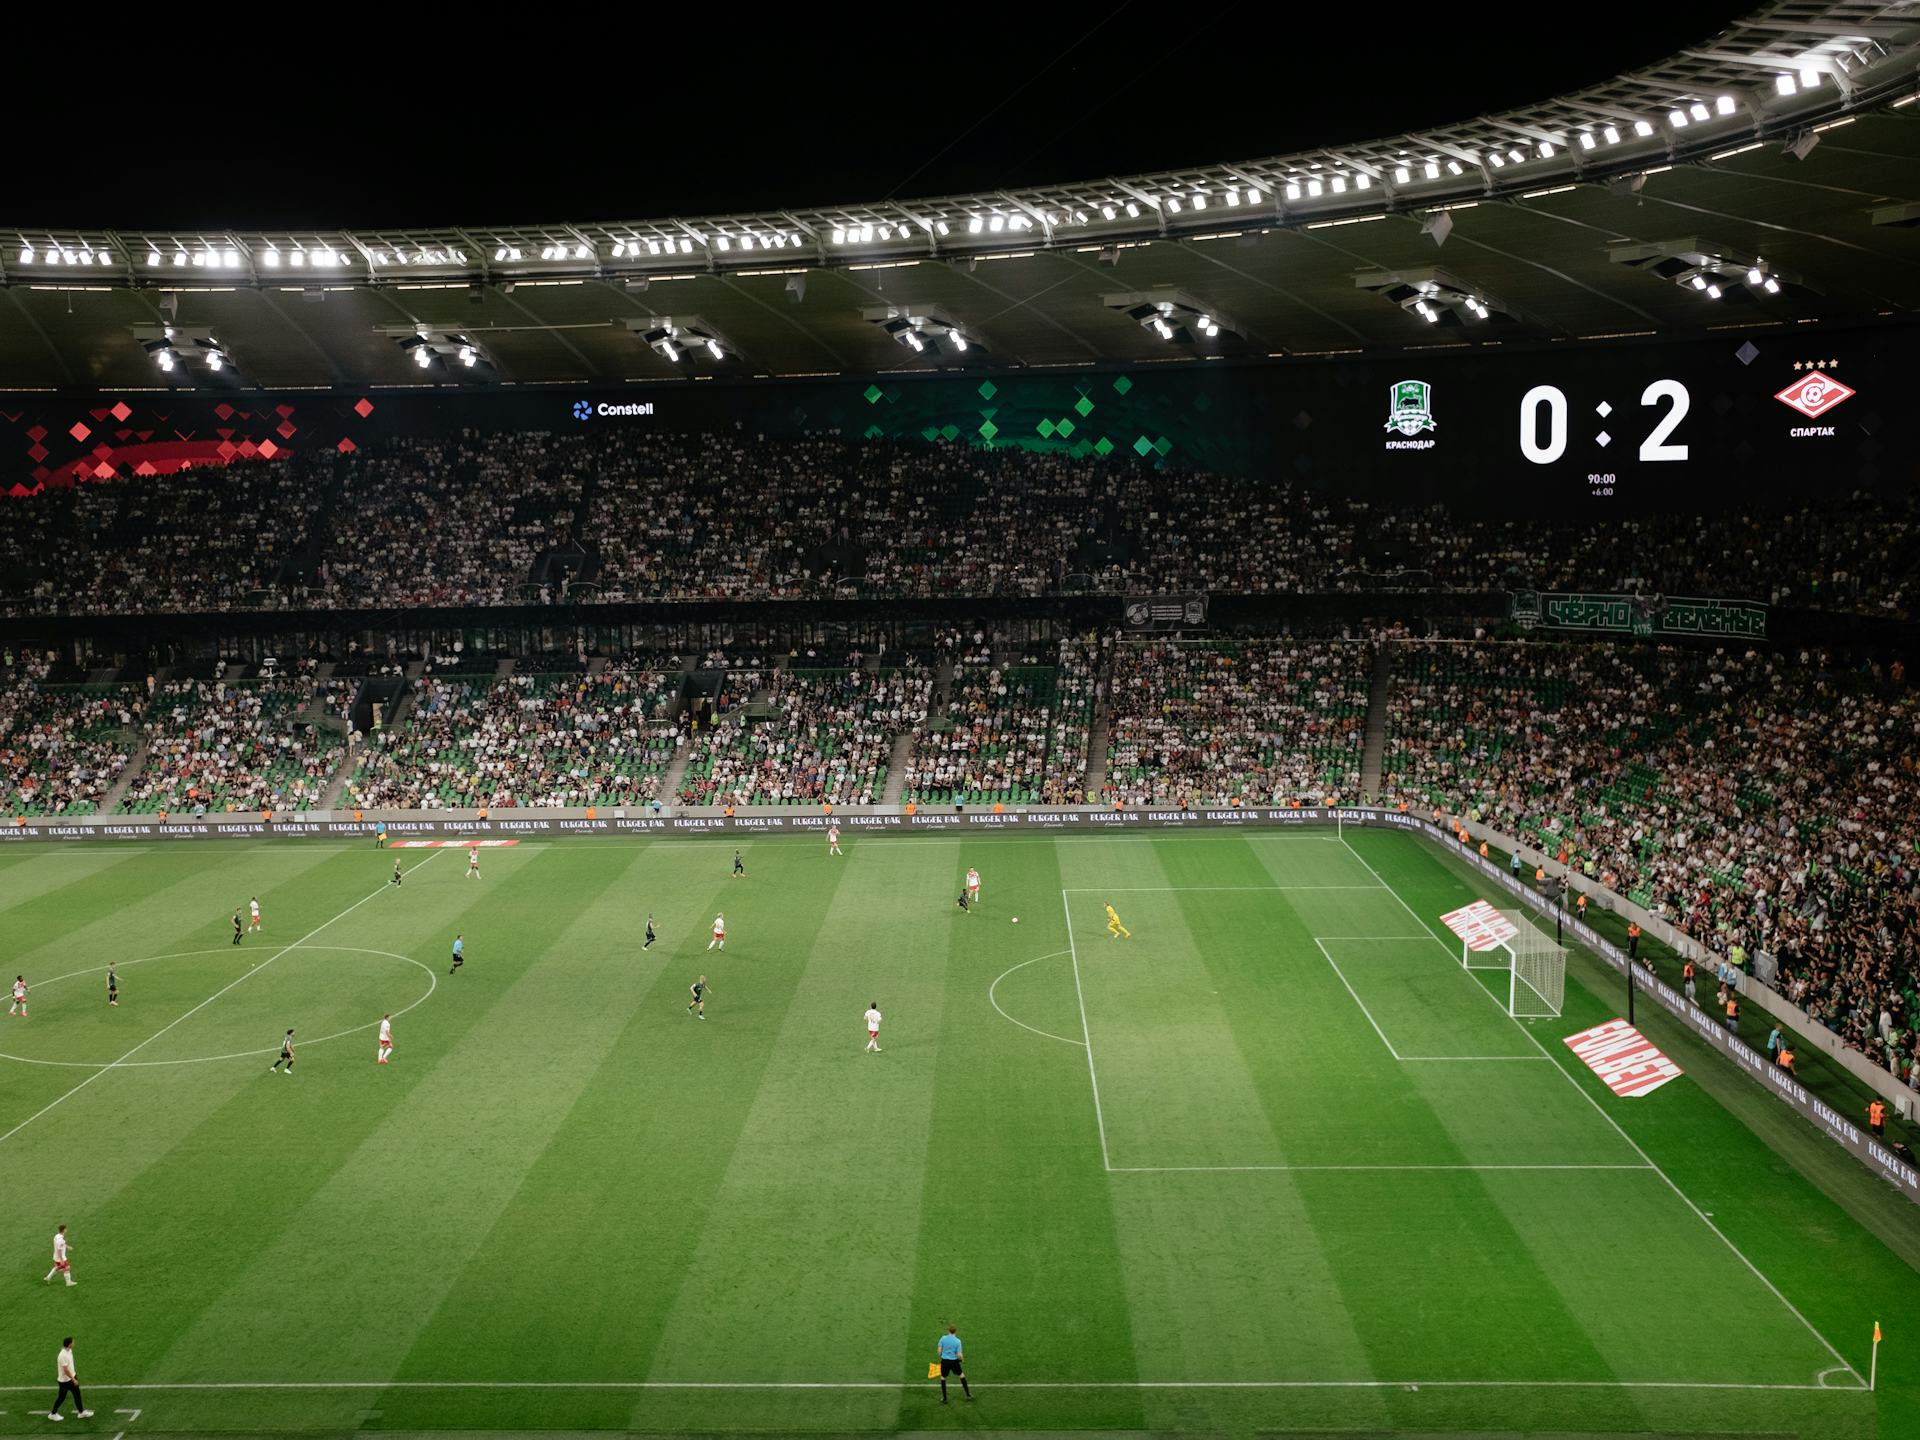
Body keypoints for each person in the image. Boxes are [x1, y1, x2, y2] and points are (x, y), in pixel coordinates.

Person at [48, 1337, 90, 1421]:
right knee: (61, 1398)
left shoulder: (69, 1351)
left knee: (77, 1394)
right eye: (73, 1342)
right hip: (65, 1381)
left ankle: (81, 1412)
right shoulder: (63, 1355)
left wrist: (74, 1376)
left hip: (71, 1377)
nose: (74, 1343)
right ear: (69, 1344)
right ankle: (53, 1414)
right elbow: (65, 1370)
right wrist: (73, 1379)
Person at [936, 1326, 972, 1404]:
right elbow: (959, 1355)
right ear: (955, 1332)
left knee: (943, 1377)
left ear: (948, 1331)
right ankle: (968, 1395)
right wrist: (962, 1359)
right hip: (954, 1362)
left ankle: (945, 1398)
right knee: (961, 1375)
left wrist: (942, 1357)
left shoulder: (943, 1338)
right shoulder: (958, 1341)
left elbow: (939, 1351)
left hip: (945, 1361)